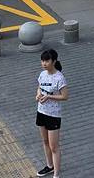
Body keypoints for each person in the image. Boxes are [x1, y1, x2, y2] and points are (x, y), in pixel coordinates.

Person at [35, 49, 68, 177]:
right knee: (45, 141)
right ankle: (49, 166)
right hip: (41, 112)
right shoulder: (42, 74)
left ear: (54, 61)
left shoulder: (60, 78)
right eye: (42, 60)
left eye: (47, 61)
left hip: (53, 115)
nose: (44, 63)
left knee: (54, 146)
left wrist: (49, 97)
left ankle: (56, 174)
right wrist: (38, 94)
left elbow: (65, 96)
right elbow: (39, 87)